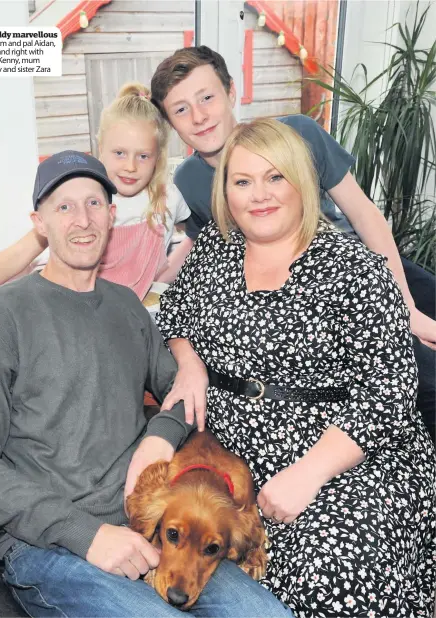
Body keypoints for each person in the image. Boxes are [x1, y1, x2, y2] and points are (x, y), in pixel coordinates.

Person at [0, 150, 294, 618]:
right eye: (63, 207)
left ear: (111, 215)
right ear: (39, 222)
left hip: (151, 531)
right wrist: (87, 535)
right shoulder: (2, 314)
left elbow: (183, 395)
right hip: (50, 544)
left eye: (93, 204)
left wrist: (159, 437)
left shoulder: (128, 308)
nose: (81, 220)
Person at [155, 118, 436, 617]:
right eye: (243, 182)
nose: (259, 195)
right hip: (236, 460)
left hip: (345, 457)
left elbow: (389, 394)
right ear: (226, 192)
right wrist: (190, 361)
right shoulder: (214, 254)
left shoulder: (355, 269)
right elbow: (174, 314)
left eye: (275, 177)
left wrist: (306, 474)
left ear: (302, 182)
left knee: (336, 572)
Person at [150, 45, 436, 438]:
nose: (198, 116)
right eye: (180, 109)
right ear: (170, 123)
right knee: (424, 381)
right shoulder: (188, 182)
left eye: (207, 97)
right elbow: (208, 247)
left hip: (372, 265)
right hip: (315, 300)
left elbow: (364, 214)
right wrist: (145, 274)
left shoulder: (298, 132)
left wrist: (404, 306)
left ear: (232, 92)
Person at [0, 82, 190, 300]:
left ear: (158, 157)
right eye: (119, 153)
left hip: (124, 308)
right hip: (65, 297)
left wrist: (166, 277)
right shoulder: (87, 197)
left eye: (143, 156)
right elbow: (23, 251)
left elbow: (194, 234)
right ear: (101, 148)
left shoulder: (169, 198)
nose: (131, 166)